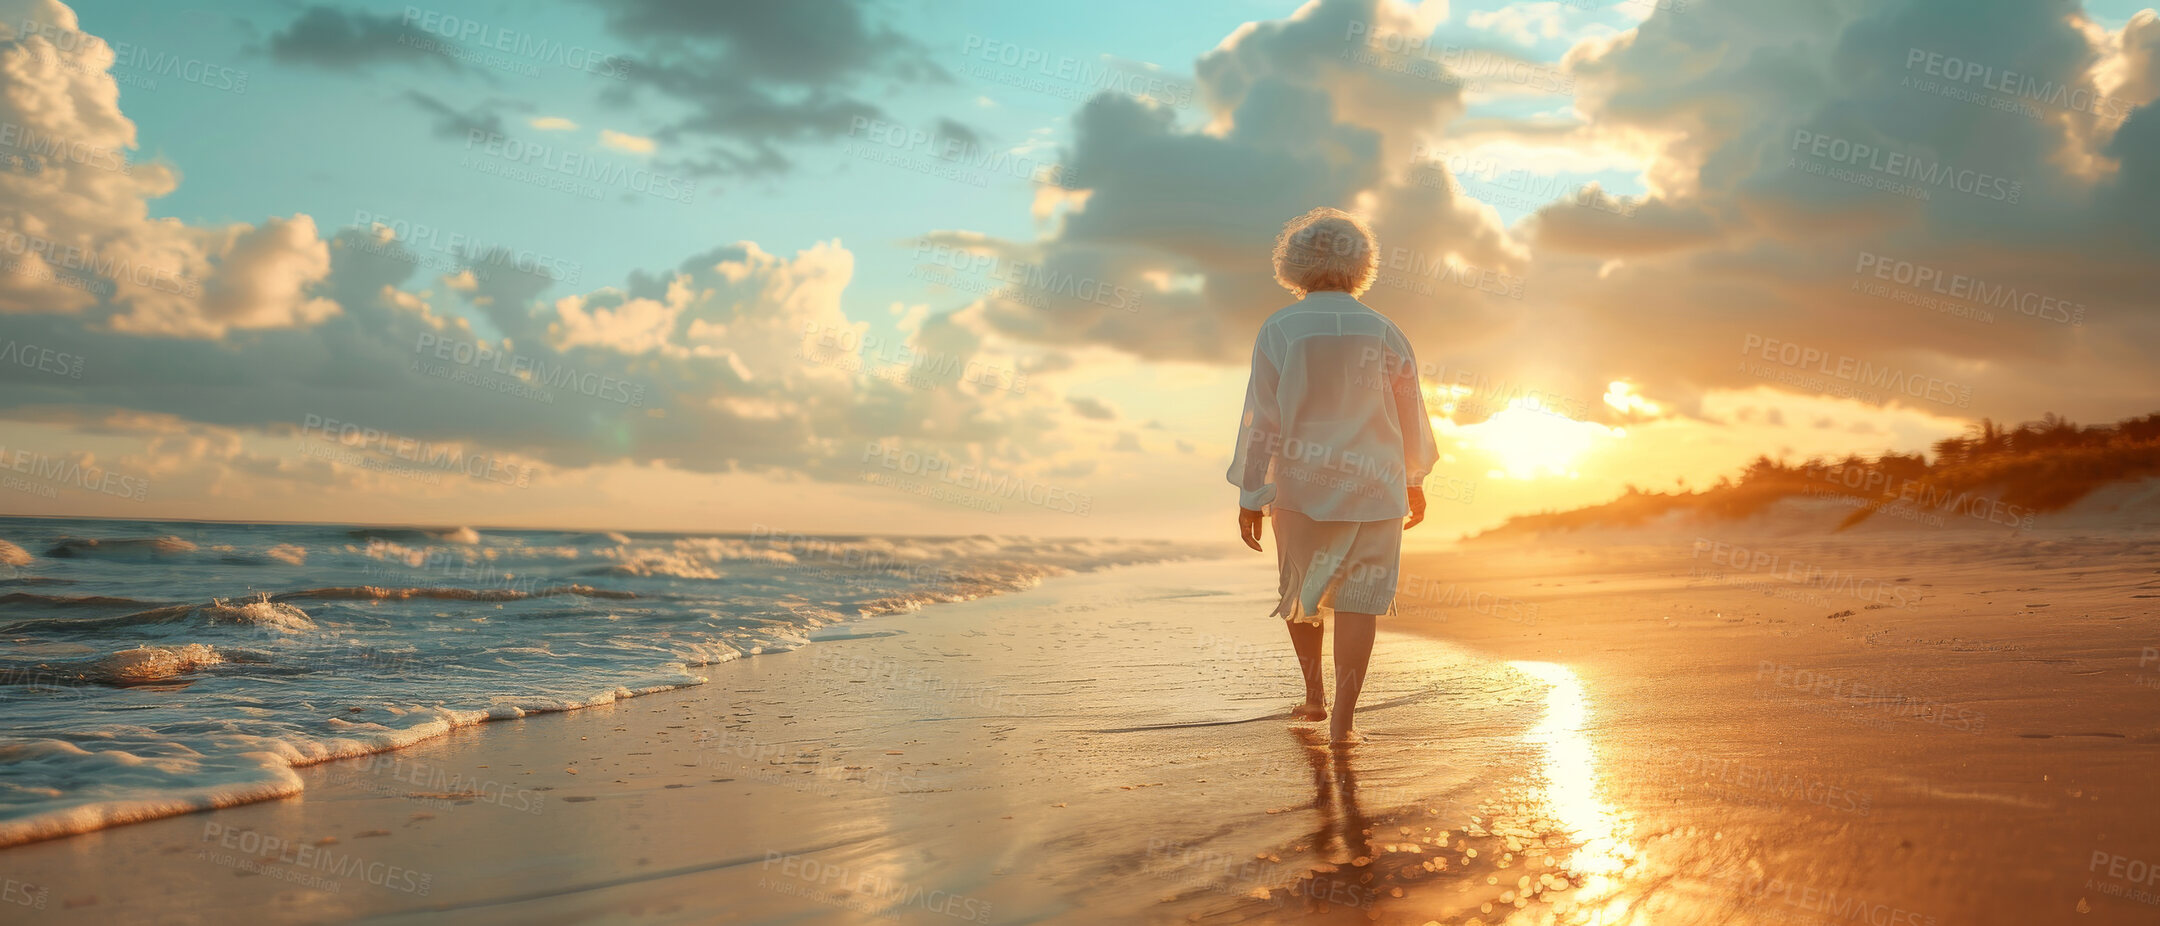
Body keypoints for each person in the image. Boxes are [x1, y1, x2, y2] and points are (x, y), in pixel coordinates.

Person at [1226, 207, 1439, 745]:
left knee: (1303, 593)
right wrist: (1414, 478)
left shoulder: (1279, 327)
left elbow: (1262, 418)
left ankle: (1315, 696)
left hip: (1301, 487)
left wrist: (1254, 493)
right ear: (1361, 263)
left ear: (1293, 264)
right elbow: (1410, 409)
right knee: (1360, 602)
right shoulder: (1385, 328)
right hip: (1377, 486)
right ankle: (1344, 719)